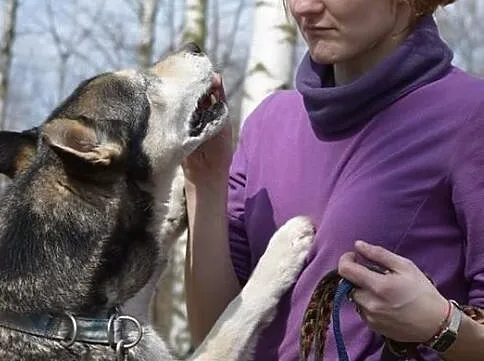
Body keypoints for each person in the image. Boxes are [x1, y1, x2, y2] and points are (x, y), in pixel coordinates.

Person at [183, 0, 484, 360]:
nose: (303, 7)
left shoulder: (469, 115)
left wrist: (442, 326)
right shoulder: (268, 122)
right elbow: (215, 334)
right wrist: (205, 180)